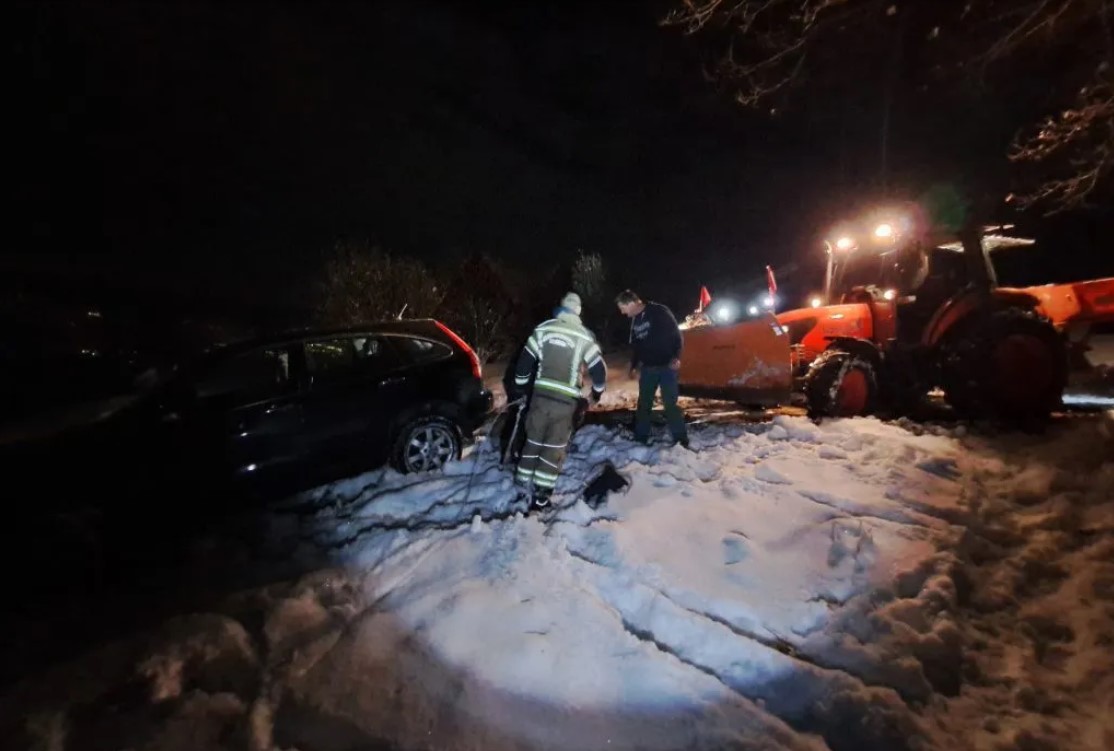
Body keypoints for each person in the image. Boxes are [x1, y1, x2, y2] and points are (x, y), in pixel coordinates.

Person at [510, 291, 607, 510]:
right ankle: (541, 496)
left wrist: (520, 387)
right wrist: (597, 393)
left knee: (533, 440)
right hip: (565, 403)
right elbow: (599, 371)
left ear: (561, 307)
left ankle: (522, 483)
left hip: (540, 397)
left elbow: (524, 362)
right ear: (579, 312)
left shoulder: (543, 329)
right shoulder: (584, 337)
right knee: (553, 448)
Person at [615, 289, 689, 448]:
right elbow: (636, 346)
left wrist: (676, 356)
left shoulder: (659, 311)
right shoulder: (635, 321)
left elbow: (676, 335)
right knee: (644, 405)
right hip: (648, 368)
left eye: (623, 307)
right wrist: (634, 366)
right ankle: (640, 438)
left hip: (667, 366)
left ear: (632, 303)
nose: (622, 312)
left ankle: (681, 439)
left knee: (670, 404)